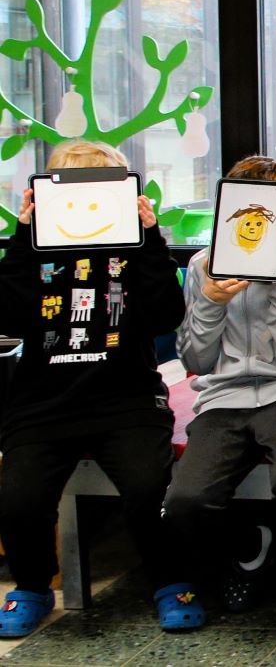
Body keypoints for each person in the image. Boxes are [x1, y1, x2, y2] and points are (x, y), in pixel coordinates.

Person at [0, 141, 203, 636]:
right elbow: (6, 314)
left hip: (127, 397)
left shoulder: (132, 251)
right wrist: (23, 238)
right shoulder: (34, 252)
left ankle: (170, 580)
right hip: (44, 401)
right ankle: (30, 586)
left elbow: (166, 316)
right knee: (19, 495)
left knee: (147, 488)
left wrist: (151, 237)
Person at [166, 155, 276, 625]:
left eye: (275, 211)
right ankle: (245, 552)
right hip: (223, 396)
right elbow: (196, 361)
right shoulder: (204, 265)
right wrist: (210, 304)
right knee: (185, 499)